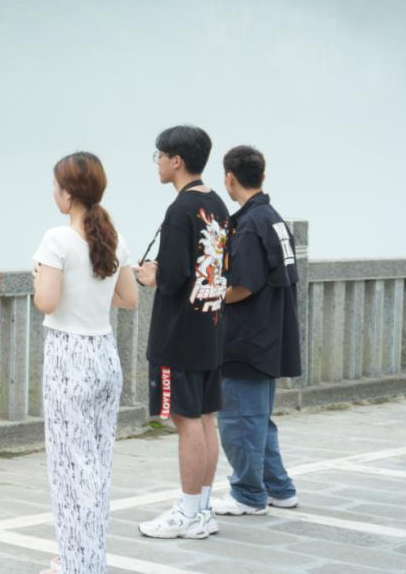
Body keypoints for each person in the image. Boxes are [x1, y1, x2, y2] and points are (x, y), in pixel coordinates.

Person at [33, 151, 139, 574]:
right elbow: (129, 299)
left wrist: (39, 275)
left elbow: (46, 301)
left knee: (69, 468)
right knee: (96, 465)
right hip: (104, 355)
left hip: (68, 356)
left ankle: (79, 564)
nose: (54, 192)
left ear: (68, 193)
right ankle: (88, 558)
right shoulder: (113, 238)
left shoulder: (57, 240)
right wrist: (91, 294)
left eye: (56, 185)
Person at [137, 125, 229, 540]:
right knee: (206, 418)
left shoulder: (180, 210)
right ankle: (202, 508)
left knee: (186, 420)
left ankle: (188, 511)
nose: (157, 162)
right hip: (210, 326)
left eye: (159, 155)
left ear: (176, 160)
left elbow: (172, 278)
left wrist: (149, 275)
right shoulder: (217, 204)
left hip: (178, 333)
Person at [211, 145, 301, 516]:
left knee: (238, 422)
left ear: (229, 178)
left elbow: (243, 285)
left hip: (246, 339)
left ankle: (248, 494)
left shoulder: (250, 224)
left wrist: (209, 297)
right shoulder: (272, 218)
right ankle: (278, 488)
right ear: (262, 176)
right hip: (271, 334)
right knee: (258, 420)